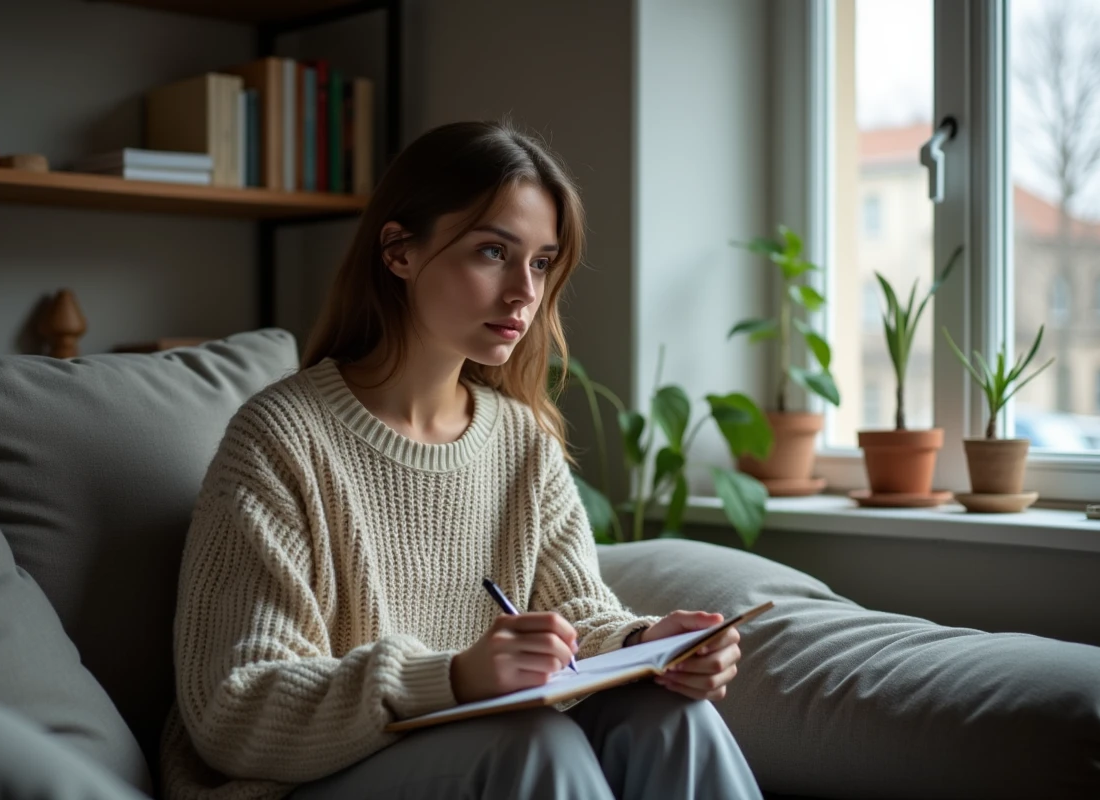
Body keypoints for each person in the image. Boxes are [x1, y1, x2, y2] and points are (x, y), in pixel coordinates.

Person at [159, 120, 763, 800]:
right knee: (533, 743)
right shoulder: (279, 438)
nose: (524, 292)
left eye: (541, 262)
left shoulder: (522, 441)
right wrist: (450, 678)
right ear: (399, 251)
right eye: (492, 252)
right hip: (302, 784)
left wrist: (646, 645)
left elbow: (577, 615)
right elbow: (234, 706)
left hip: (471, 757)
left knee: (673, 717)